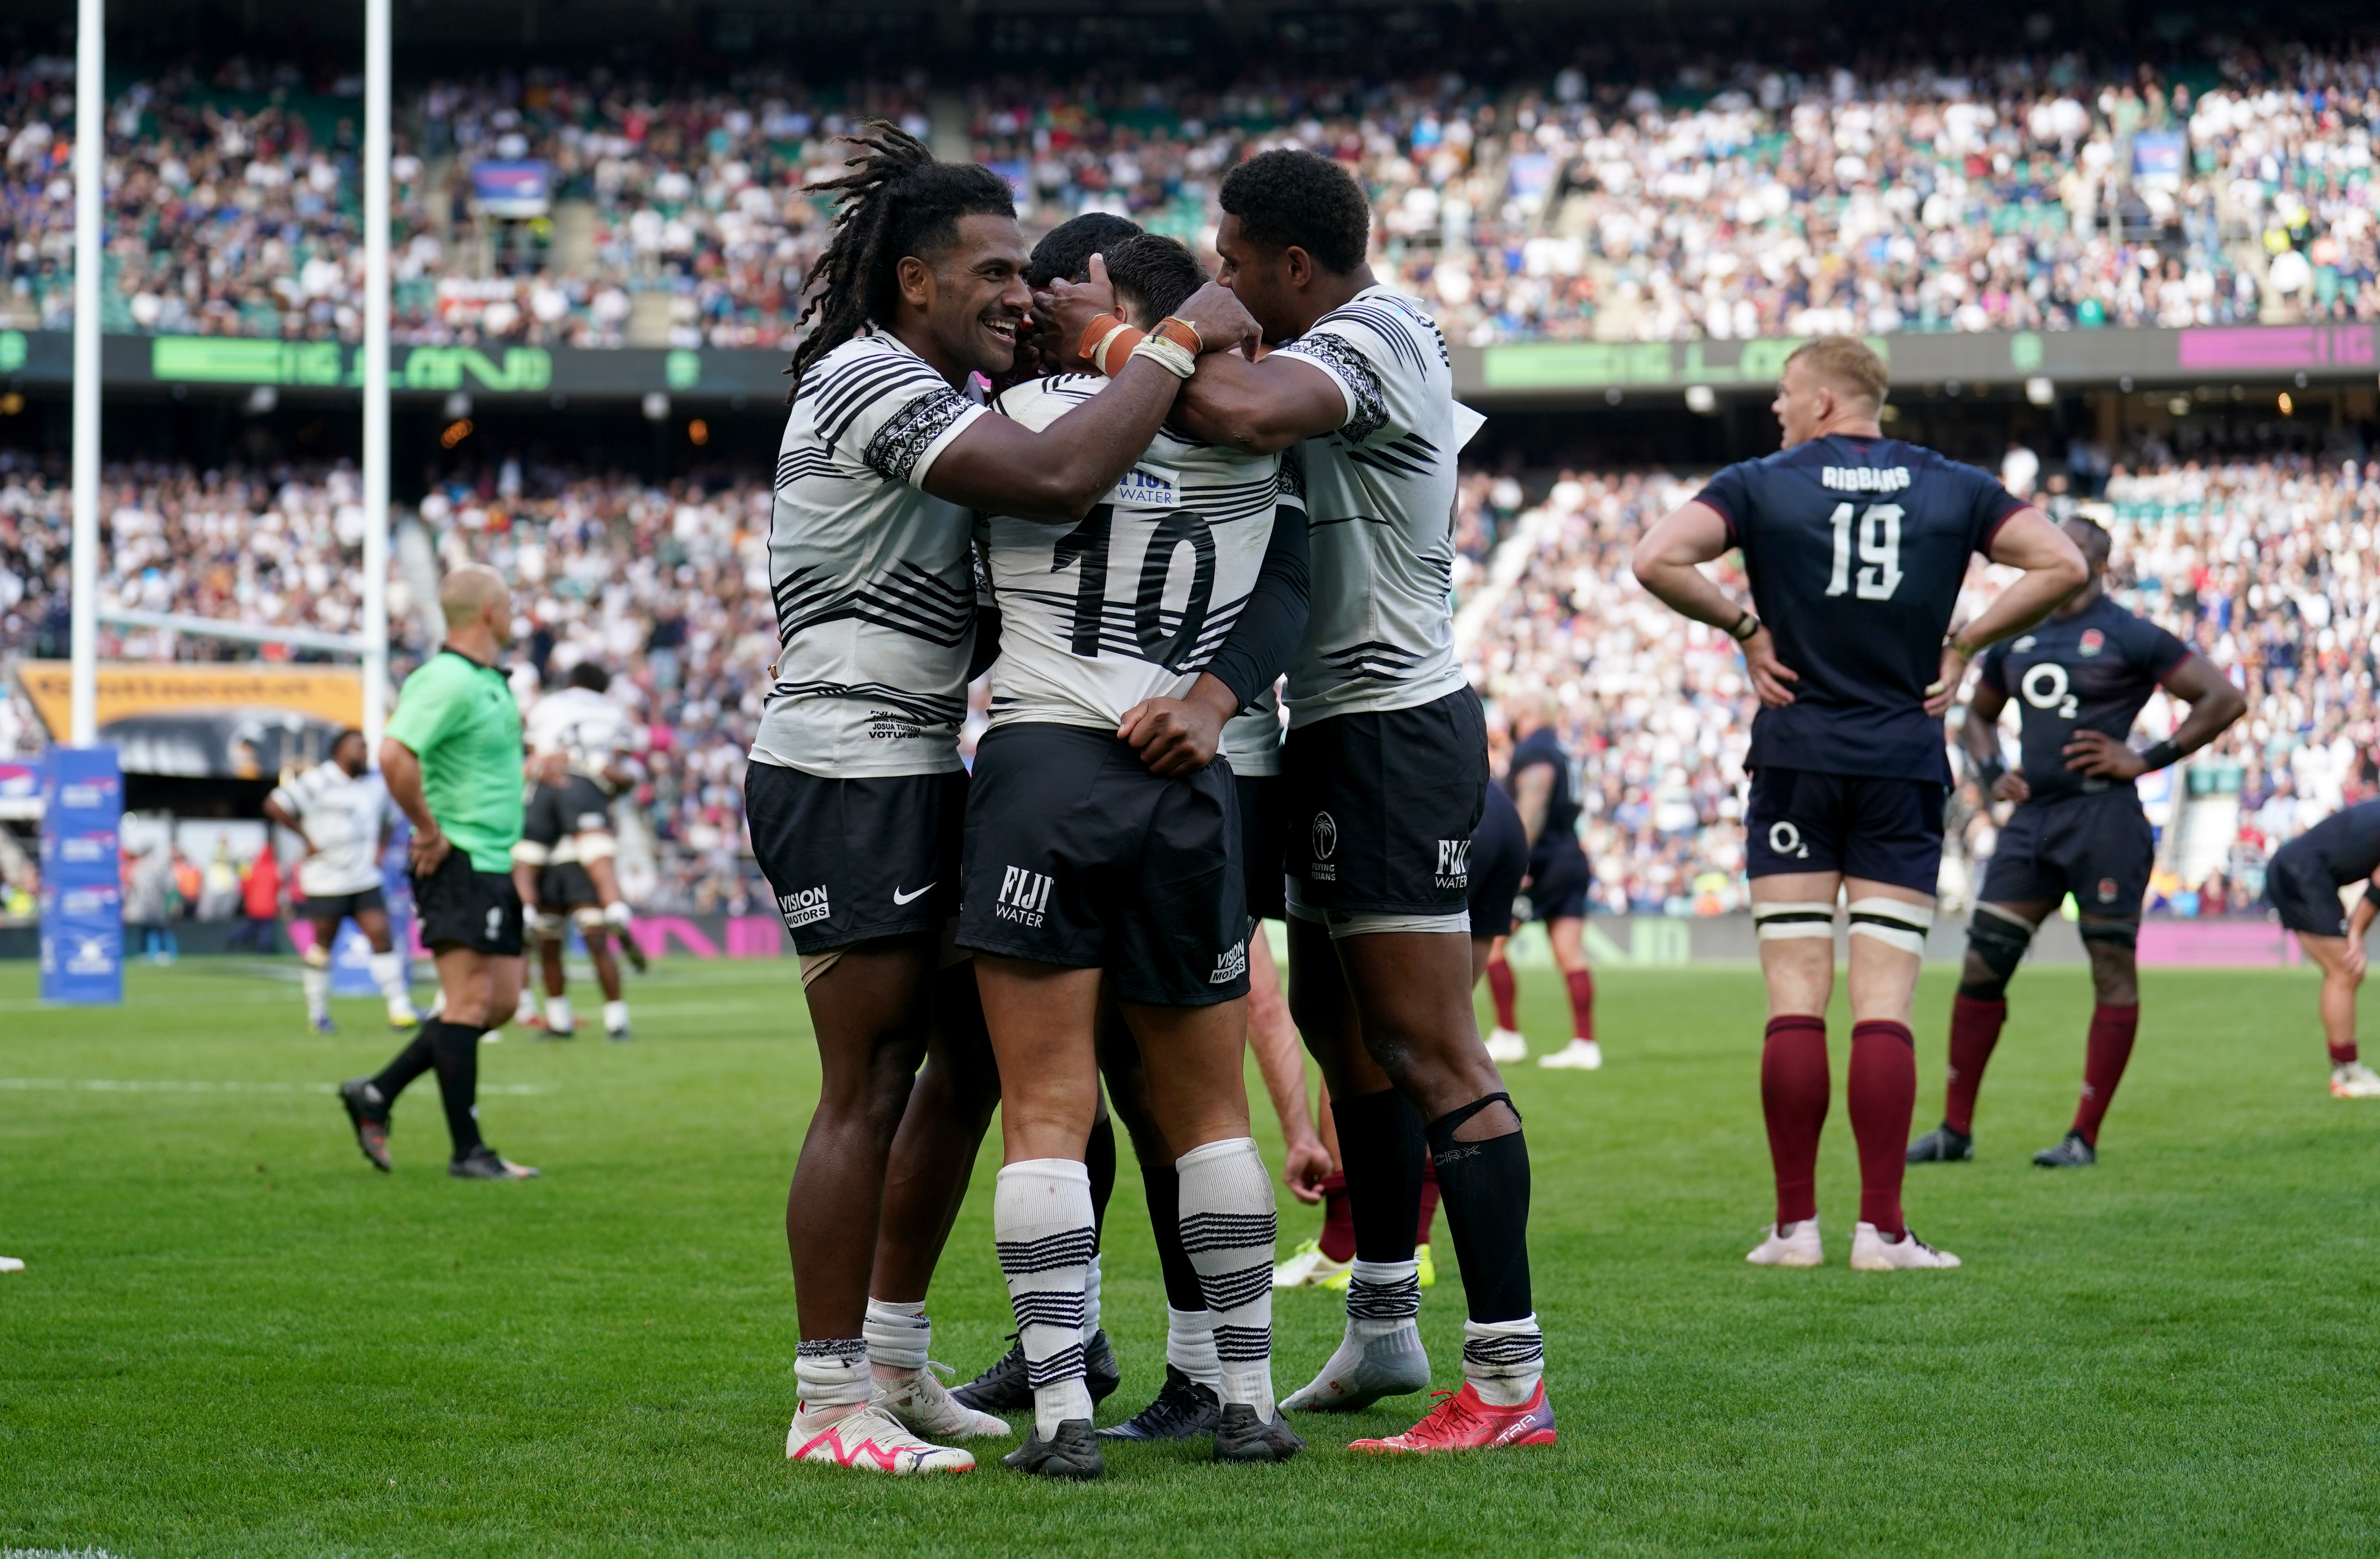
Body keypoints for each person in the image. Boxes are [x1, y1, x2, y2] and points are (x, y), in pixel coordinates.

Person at [740, 124, 1258, 1478]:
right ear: (914, 281)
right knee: (867, 1079)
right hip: (846, 764)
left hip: (920, 759)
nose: (1019, 294)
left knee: (968, 1062)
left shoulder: (941, 389)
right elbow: (1056, 476)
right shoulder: (865, 379)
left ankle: (897, 1357)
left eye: (1029, 274)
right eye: (992, 272)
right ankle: (826, 1393)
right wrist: (1168, 342)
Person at [1170, 147, 1552, 1454]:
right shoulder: (1347, 341)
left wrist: (1141, 332)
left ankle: (1508, 1380)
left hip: (1395, 726)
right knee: (1352, 1046)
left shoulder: (1376, 329)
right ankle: (1383, 1323)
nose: (1222, 284)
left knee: (1434, 1052)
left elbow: (1232, 410)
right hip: (1332, 728)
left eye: (1230, 263)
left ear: (1291, 265)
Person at [956, 227, 1302, 1476]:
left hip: (1049, 762)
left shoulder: (1030, 411)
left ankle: (1058, 1417)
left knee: (1046, 1111)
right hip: (1188, 773)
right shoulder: (1255, 436)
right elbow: (1294, 576)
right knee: (1208, 1113)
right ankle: (1247, 1398)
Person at [1632, 334, 2086, 1273]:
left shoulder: (1760, 482)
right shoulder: (1950, 484)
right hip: (1900, 759)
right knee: (1884, 1001)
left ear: (1826, 403)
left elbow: (1656, 558)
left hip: (1795, 751)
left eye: (1785, 393)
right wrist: (1964, 646)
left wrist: (1742, 627)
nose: (1775, 409)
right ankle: (1880, 1231)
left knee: (1793, 996)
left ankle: (1793, 1229)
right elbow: (2058, 566)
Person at [1908, 516, 2244, 1168]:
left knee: (2110, 967)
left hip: (2104, 822)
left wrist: (2147, 759)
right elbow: (1977, 715)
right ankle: (1955, 1130)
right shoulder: (2014, 633)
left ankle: (2082, 1136)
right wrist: (1988, 768)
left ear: (2098, 563)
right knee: (1982, 963)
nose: (2059, 556)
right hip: (2032, 823)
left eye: (2075, 550)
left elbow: (2222, 697)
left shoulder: (2130, 633)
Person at [1275, 780, 1525, 1290]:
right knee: (1438, 1046)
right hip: (1489, 809)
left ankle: (1343, 1244)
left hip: (1394, 805)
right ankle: (1417, 1246)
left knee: (1354, 1031)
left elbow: (1264, 1008)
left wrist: (1300, 1133)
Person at [337, 565, 539, 1183]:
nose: (514, 613)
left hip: (493, 859)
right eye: (509, 603)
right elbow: (394, 753)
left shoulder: (487, 682)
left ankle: (377, 1091)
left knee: (498, 1002)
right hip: (457, 861)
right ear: (488, 612)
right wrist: (427, 828)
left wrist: (539, 764)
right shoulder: (446, 678)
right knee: (469, 1000)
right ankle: (468, 1151)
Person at [514, 662, 645, 1040]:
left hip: (544, 806)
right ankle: (617, 1019)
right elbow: (622, 774)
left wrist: (550, 769)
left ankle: (558, 1019)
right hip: (585, 811)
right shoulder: (613, 712)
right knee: (595, 933)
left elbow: (535, 758)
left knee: (547, 934)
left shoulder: (547, 706)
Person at [265, 728, 420, 1034]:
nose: (364, 753)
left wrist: (380, 849)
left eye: (365, 747)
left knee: (381, 936)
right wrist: (306, 838)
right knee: (324, 943)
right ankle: (318, 1013)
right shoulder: (318, 780)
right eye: (357, 747)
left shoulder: (375, 783)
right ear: (339, 751)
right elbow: (275, 804)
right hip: (326, 878)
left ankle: (399, 1008)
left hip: (364, 876)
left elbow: (391, 818)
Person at [1479, 694, 1600, 1069]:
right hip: (1570, 858)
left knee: (1493, 942)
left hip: (1543, 863)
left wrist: (1518, 859)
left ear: (1529, 712)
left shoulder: (1536, 750)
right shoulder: (1561, 749)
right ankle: (1584, 1043)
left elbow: (1534, 803)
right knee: (1570, 952)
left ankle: (1508, 1034)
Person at [2262, 800, 2380, 1098]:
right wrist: (2355, 931)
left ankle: (2346, 1069)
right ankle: (2346, 1073)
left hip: (2307, 872)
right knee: (2345, 971)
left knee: (2347, 972)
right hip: (2301, 874)